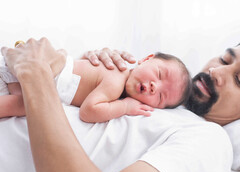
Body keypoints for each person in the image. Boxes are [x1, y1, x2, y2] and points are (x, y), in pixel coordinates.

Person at [0, 38, 233, 172]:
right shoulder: (147, 80)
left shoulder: (209, 137)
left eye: (239, 79)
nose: (217, 72)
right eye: (224, 59)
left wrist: (36, 73)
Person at [0, 45, 191, 122]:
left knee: (21, 101)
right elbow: (88, 111)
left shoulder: (117, 70)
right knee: (27, 105)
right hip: (32, 73)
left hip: (25, 71)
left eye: (160, 96)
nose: (154, 87)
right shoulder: (116, 81)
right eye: (159, 74)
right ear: (147, 58)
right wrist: (124, 107)